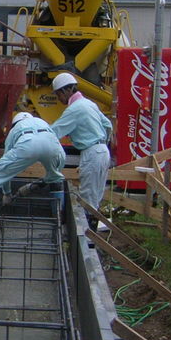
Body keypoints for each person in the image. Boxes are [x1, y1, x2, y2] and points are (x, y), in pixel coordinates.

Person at [0, 111, 66, 231]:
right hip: (53, 146)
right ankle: (59, 218)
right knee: (56, 178)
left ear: (14, 123)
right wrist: (49, 177)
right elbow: (54, 147)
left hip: (27, 144)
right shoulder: (42, 122)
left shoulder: (14, 130)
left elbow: (5, 170)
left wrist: (7, 193)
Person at [47, 72, 113, 232]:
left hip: (91, 153)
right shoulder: (89, 104)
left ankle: (86, 238)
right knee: (95, 198)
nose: (59, 99)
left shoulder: (75, 109)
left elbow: (54, 132)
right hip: (103, 151)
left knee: (87, 199)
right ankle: (91, 236)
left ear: (65, 91)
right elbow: (108, 125)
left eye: (58, 95)